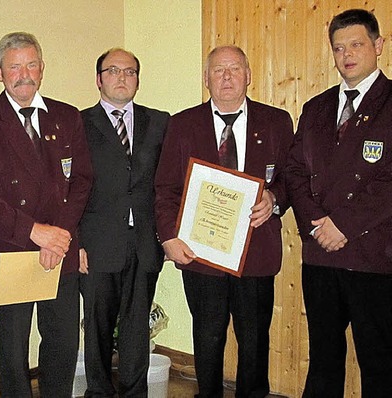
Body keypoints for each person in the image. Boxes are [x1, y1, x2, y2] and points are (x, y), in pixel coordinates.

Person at [155, 45, 293, 397]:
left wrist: (274, 199)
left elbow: (293, 178)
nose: (227, 77)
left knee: (254, 341)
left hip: (256, 253)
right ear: (206, 79)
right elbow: (165, 187)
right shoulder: (182, 123)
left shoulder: (276, 121)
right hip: (201, 255)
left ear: (248, 75)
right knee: (207, 337)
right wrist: (169, 238)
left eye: (234, 69)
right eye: (218, 70)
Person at [0, 32, 92, 397]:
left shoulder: (67, 117)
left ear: (42, 68)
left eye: (31, 65)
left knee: (63, 343)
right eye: (15, 66)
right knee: (13, 351)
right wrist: (36, 232)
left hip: (61, 251)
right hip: (11, 249)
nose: (24, 74)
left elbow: (81, 181)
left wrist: (60, 235)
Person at [286, 9, 392, 397]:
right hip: (321, 256)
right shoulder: (315, 108)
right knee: (324, 361)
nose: (346, 54)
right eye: (338, 47)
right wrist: (316, 223)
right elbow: (294, 171)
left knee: (379, 364)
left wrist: (342, 225)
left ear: (378, 46)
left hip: (373, 257)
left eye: (357, 44)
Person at [78, 48, 169, 397]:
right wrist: (76, 240)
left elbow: (172, 180)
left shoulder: (159, 122)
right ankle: (98, 392)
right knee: (98, 329)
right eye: (113, 71)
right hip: (98, 243)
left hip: (145, 241)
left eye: (129, 72)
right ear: (99, 78)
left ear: (138, 80)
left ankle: (135, 393)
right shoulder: (79, 123)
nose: (121, 77)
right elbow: (68, 187)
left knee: (136, 329)